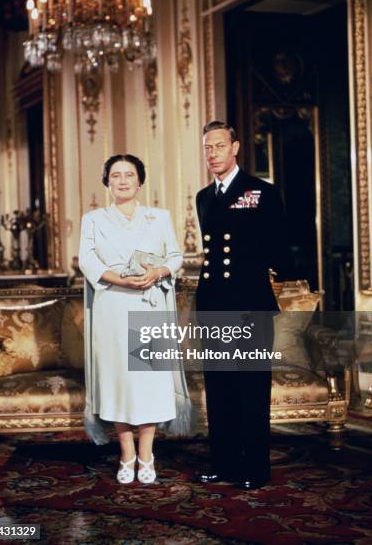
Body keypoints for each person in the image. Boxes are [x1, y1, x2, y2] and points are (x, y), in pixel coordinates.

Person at [79, 154, 192, 485]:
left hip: (149, 304)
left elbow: (176, 256)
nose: (123, 180)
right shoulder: (94, 220)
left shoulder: (159, 217)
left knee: (148, 383)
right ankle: (126, 453)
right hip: (112, 307)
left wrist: (158, 271)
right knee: (119, 383)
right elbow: (87, 259)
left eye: (129, 174)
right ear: (107, 182)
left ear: (140, 181)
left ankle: (147, 454)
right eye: (116, 175)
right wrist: (118, 279)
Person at [195, 121, 288, 490]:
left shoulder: (261, 191)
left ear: (235, 147)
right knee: (219, 386)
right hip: (213, 303)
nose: (213, 154)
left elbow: (278, 245)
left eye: (219, 146)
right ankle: (224, 462)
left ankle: (255, 467)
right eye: (207, 148)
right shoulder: (204, 197)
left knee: (250, 386)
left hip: (249, 302)